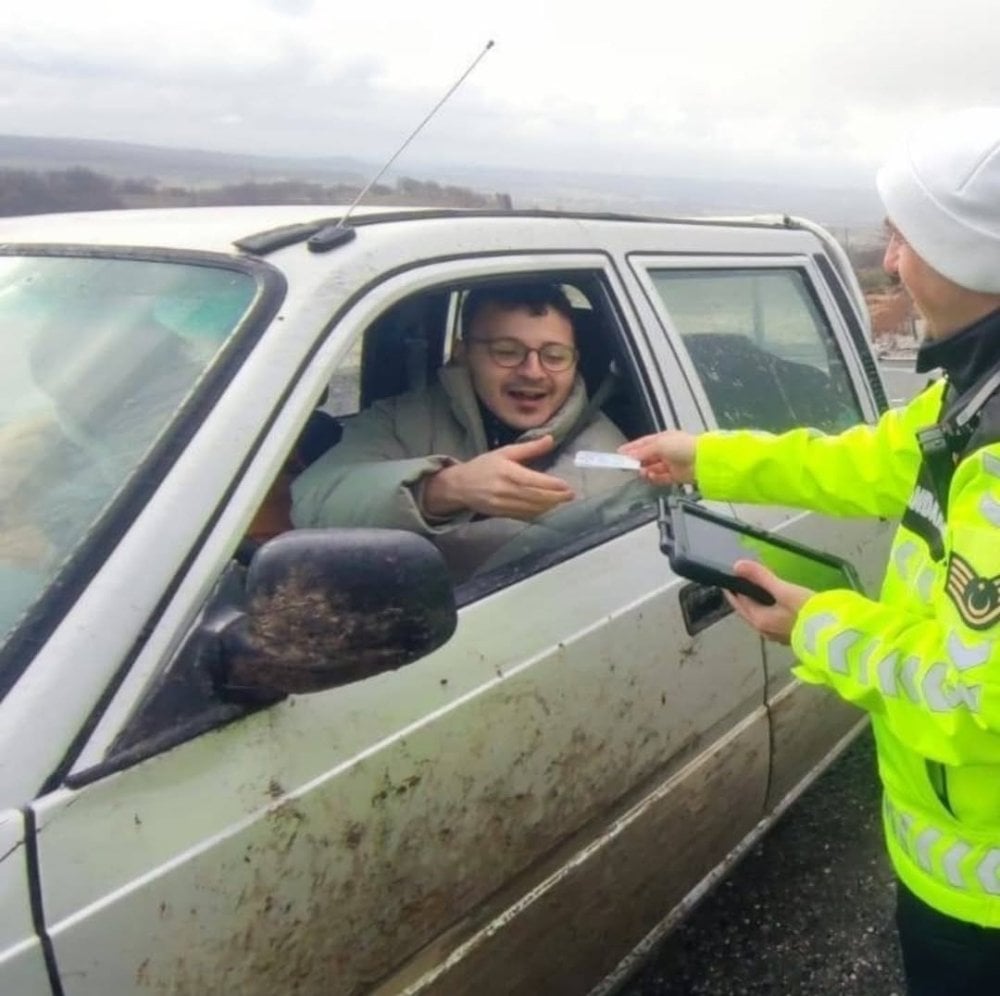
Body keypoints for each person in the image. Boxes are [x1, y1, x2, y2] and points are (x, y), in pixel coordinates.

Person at [621, 106, 1000, 995]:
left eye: (907, 239)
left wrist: (816, 624)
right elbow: (860, 462)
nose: (891, 261)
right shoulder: (976, 394)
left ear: (973, 254)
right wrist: (703, 456)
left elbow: (972, 692)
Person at [291, 281, 629, 577]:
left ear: (575, 361)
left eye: (554, 356)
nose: (533, 372)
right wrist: (443, 489)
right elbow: (311, 503)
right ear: (462, 352)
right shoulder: (402, 419)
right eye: (506, 352)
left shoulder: (611, 455)